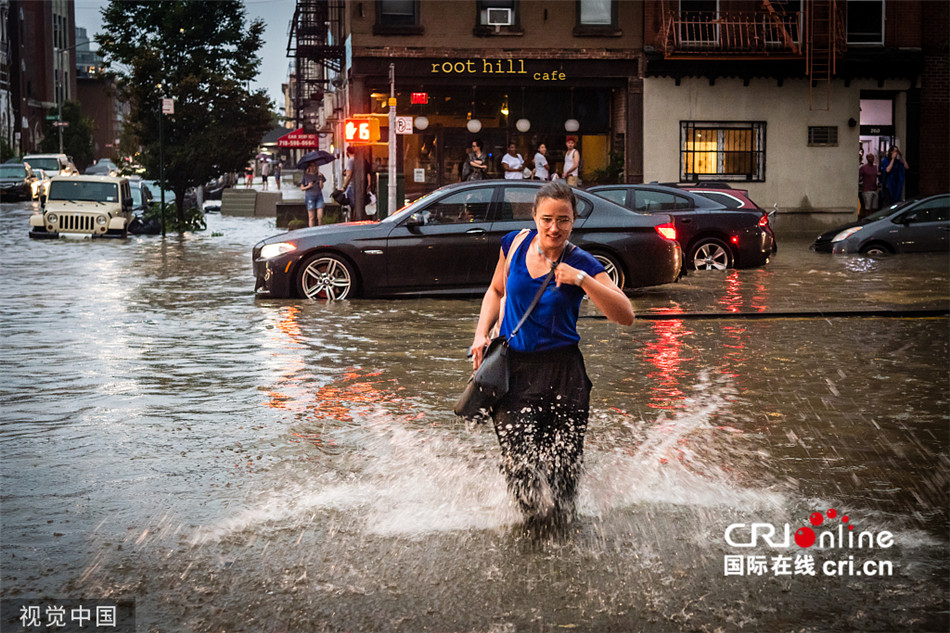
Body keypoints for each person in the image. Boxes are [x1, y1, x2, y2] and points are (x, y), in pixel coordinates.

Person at [469, 180, 634, 525]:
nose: (554, 228)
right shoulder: (514, 244)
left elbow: (626, 316)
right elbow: (496, 291)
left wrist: (582, 281)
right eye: (546, 219)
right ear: (534, 216)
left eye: (563, 220)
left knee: (563, 471)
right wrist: (481, 334)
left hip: (564, 375)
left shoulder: (582, 262)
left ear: (574, 221)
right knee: (519, 463)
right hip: (513, 371)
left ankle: (563, 530)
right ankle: (530, 534)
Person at [301, 162, 325, 227]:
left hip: (319, 196)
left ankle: (320, 230)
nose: (313, 168)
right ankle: (311, 231)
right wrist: (308, 186)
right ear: (308, 167)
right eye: (311, 166)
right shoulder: (305, 176)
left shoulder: (319, 175)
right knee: (311, 217)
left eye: (314, 166)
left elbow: (321, 187)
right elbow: (302, 188)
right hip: (310, 197)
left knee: (320, 216)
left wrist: (320, 179)